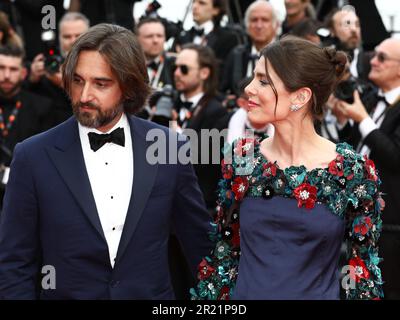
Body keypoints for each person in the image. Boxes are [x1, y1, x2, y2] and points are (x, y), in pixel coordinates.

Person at [0, 23, 213, 300]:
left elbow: (200, 245)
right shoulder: (33, 156)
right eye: (77, 80)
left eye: (100, 83)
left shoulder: (169, 148)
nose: (84, 95)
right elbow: (14, 263)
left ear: (128, 87)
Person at [190, 36, 384, 300]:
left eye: (263, 81)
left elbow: (362, 273)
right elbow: (224, 258)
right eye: (252, 78)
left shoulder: (353, 172)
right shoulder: (242, 160)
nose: (248, 88)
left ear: (300, 96)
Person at [336, 37, 400, 299]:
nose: (372, 61)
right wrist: (345, 121)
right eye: (374, 54)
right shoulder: (372, 99)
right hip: (355, 220)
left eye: (382, 57)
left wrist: (362, 119)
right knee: (352, 290)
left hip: (390, 228)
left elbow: (395, 156)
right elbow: (354, 148)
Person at [26, 12, 90, 127]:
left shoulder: (100, 65)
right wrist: (32, 79)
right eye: (67, 36)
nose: (72, 41)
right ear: (59, 38)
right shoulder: (49, 65)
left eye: (78, 35)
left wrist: (64, 84)